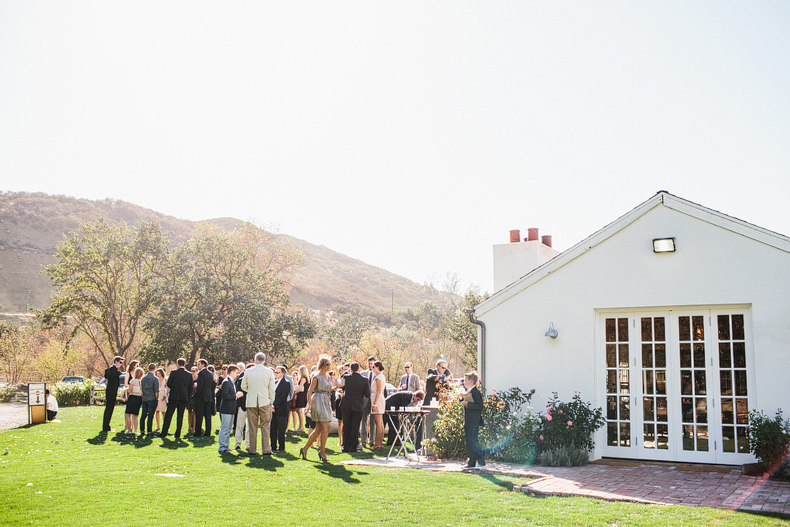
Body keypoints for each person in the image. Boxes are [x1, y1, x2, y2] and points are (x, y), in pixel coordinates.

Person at [299, 357, 334, 462]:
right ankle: (322, 451)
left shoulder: (327, 375)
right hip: (318, 400)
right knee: (326, 426)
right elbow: (310, 391)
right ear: (322, 365)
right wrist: (309, 405)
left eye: (330, 364)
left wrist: (335, 388)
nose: (329, 366)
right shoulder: (316, 376)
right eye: (327, 364)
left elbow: (327, 388)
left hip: (326, 399)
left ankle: (304, 449)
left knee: (319, 428)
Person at [241, 352, 276, 455]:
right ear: (264, 360)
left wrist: (251, 391)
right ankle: (266, 449)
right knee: (265, 426)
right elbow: (271, 388)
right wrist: (271, 401)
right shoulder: (269, 372)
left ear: (255, 360)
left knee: (252, 426)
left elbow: (243, 386)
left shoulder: (248, 371)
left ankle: (252, 449)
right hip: (265, 401)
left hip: (251, 401)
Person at [337, 362, 370, 453]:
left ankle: (345, 445)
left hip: (346, 404)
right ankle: (353, 446)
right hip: (358, 404)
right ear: (359, 369)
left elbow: (341, 387)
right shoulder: (364, 380)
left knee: (346, 425)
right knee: (355, 426)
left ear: (350, 369)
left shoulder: (346, 377)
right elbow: (367, 394)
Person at [161, 358, 193, 439]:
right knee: (180, 416)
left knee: (169, 415)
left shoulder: (174, 373)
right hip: (183, 397)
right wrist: (188, 398)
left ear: (177, 364)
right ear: (184, 364)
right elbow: (190, 388)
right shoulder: (189, 374)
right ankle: (177, 433)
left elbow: (169, 384)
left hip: (174, 396)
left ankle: (164, 432)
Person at [460, 371, 485, 469]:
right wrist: (462, 399)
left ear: (471, 381)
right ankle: (471, 461)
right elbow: (465, 401)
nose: (464, 382)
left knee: (474, 441)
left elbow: (479, 405)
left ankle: (481, 461)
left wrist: (468, 404)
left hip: (474, 421)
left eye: (466, 380)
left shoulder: (475, 392)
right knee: (469, 441)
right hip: (468, 420)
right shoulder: (469, 391)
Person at [218, 365, 242, 453]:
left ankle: (226, 446)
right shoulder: (226, 382)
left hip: (231, 408)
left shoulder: (231, 381)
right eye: (236, 372)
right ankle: (222, 447)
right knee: (225, 428)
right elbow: (225, 396)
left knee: (228, 429)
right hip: (226, 409)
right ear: (231, 372)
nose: (237, 374)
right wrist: (236, 396)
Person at [270, 366, 290, 453]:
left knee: (281, 429)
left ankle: (281, 447)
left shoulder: (286, 383)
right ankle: (273, 446)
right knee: (272, 428)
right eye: (275, 372)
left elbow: (283, 397)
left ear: (283, 373)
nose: (275, 373)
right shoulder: (273, 382)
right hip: (272, 409)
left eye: (277, 372)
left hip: (281, 409)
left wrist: (274, 405)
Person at [194, 359, 215, 437]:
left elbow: (200, 386)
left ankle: (198, 432)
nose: (197, 366)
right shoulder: (210, 374)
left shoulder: (201, 374)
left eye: (198, 364)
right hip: (208, 396)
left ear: (203, 365)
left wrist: (196, 394)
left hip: (201, 396)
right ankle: (208, 431)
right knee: (207, 415)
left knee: (199, 414)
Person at [102, 356, 124, 431]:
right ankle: (106, 426)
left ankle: (106, 426)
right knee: (109, 408)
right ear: (116, 361)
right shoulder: (112, 369)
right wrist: (118, 373)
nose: (121, 364)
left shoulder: (113, 370)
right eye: (120, 362)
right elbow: (108, 374)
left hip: (111, 391)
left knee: (110, 408)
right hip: (111, 392)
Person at [360, 356, 376, 447]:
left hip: (373, 400)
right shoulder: (363, 373)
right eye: (369, 364)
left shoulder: (377, 374)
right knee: (364, 420)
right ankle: (363, 440)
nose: (370, 365)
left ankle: (372, 440)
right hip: (364, 400)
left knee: (373, 421)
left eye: (372, 364)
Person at [234, 362, 251, 452]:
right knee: (239, 426)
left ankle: (248, 445)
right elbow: (238, 392)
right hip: (242, 406)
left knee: (250, 427)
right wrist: (239, 406)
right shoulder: (240, 380)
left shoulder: (255, 381)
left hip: (251, 407)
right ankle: (238, 444)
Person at [370, 361, 387, 450]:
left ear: (377, 367)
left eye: (373, 367)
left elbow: (379, 391)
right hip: (379, 399)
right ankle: (380, 443)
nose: (372, 368)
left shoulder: (379, 377)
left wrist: (375, 403)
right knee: (380, 422)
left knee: (378, 422)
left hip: (378, 400)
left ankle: (377, 443)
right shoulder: (380, 376)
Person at [140, 363, 159, 436]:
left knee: (143, 415)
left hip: (144, 398)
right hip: (152, 398)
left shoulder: (143, 378)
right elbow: (156, 390)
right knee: (150, 416)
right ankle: (149, 431)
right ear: (155, 369)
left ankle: (142, 430)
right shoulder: (155, 379)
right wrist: (156, 398)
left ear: (148, 369)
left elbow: (141, 388)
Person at [124, 367, 144, 435]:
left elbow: (129, 390)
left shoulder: (132, 381)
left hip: (132, 397)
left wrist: (126, 391)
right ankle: (135, 430)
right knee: (136, 415)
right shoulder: (142, 382)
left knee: (128, 414)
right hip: (138, 398)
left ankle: (129, 430)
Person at [293, 365, 309, 432]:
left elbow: (300, 388)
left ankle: (301, 426)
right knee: (298, 410)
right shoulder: (305, 378)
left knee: (299, 411)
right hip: (301, 394)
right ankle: (300, 426)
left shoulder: (303, 378)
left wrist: (294, 393)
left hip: (301, 395)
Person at [154, 368, 168, 433]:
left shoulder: (165, 380)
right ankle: (158, 425)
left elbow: (167, 388)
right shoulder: (155, 379)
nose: (158, 374)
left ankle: (165, 426)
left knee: (163, 411)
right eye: (157, 373)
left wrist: (166, 395)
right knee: (157, 411)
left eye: (159, 373)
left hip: (163, 395)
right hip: (157, 395)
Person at [187, 366, 198, 433]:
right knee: (189, 412)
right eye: (191, 371)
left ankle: (194, 428)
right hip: (189, 397)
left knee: (195, 412)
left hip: (196, 397)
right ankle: (189, 427)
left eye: (194, 371)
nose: (192, 372)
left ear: (197, 371)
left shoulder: (199, 379)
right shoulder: (189, 379)